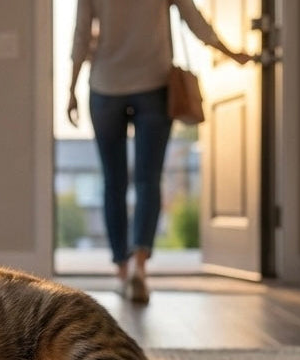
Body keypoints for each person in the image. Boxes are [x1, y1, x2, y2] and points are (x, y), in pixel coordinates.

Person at [67, 0, 252, 303]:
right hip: (153, 83)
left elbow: (81, 35)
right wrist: (231, 53)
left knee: (113, 183)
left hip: (105, 85)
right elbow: (196, 20)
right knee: (148, 180)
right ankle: (140, 269)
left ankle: (122, 271)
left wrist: (71, 88)